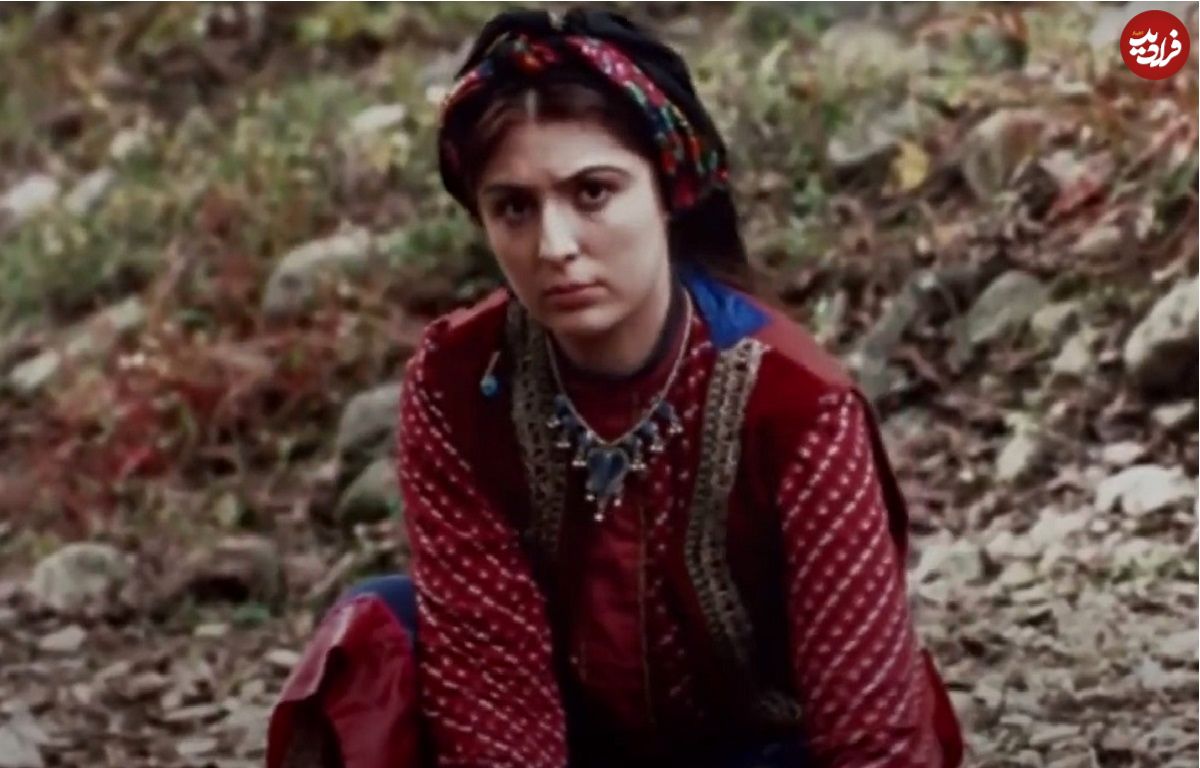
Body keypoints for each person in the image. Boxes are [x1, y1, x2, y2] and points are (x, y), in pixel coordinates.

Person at [266, 8, 964, 768]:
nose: (555, 246)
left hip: (762, 752)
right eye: (514, 207)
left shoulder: (794, 400)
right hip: (570, 747)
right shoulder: (460, 383)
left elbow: (867, 726)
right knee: (377, 632)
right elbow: (492, 688)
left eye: (594, 193)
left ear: (666, 191)